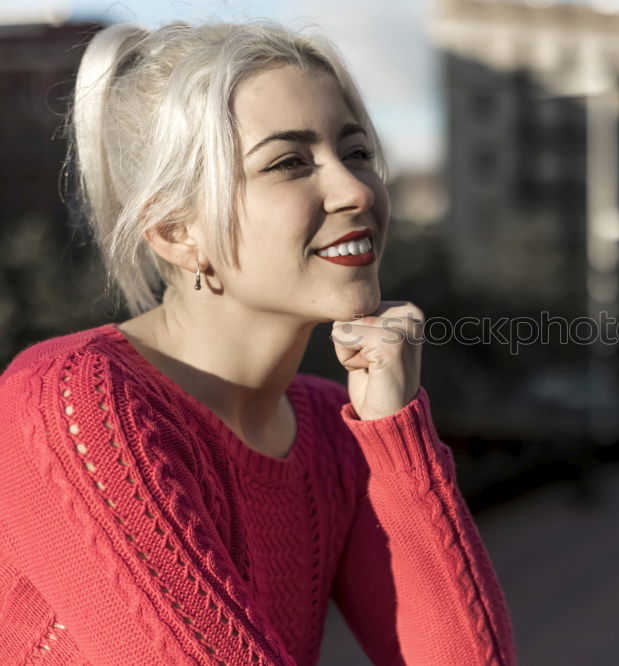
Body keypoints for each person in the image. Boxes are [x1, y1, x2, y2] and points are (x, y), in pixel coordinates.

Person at [0, 20, 516, 666]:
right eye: (288, 163)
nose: (355, 190)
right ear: (175, 231)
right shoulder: (68, 406)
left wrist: (395, 430)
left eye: (355, 152)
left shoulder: (334, 433)